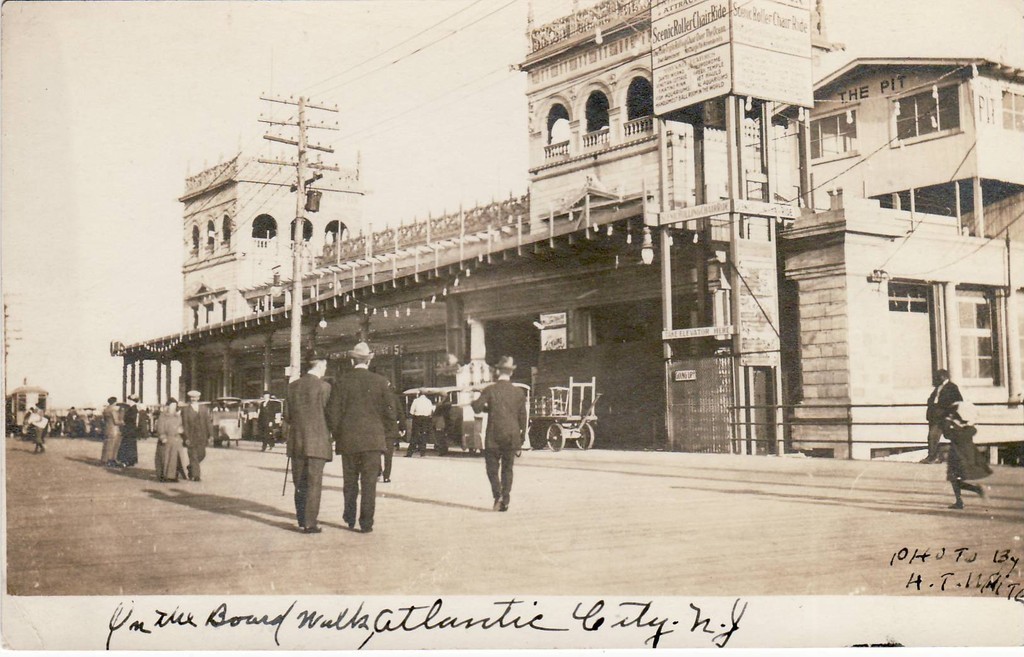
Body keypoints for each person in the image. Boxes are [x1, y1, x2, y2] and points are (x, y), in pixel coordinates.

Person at [327, 342, 396, 534]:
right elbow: (390, 412)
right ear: (369, 360)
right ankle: (366, 523)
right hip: (373, 441)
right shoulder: (381, 382)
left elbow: (333, 413)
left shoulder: (341, 381)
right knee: (369, 483)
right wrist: (386, 433)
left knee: (349, 481)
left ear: (352, 360)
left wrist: (338, 434)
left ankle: (349, 516)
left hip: (348, 441)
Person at [471, 356, 528, 512]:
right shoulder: (519, 392)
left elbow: (477, 407)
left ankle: (498, 496)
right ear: (511, 373)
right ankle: (506, 499)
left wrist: (475, 403)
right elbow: (523, 416)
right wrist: (522, 436)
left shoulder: (490, 389)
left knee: (492, 469)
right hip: (512, 435)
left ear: (497, 372)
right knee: (508, 469)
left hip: (494, 436)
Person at [285, 352, 333, 534]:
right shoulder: (325, 387)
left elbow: (288, 416)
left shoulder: (292, 387)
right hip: (318, 442)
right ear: (320, 365)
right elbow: (330, 416)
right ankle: (310, 523)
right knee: (314, 483)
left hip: (297, 441)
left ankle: (301, 519)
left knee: (299, 483)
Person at [942, 400, 991, 509]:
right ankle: (964, 497)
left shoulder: (954, 426)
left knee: (954, 478)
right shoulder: (969, 428)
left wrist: (948, 422)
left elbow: (948, 435)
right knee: (955, 478)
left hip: (957, 453)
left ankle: (963, 498)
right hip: (968, 453)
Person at [923, 369, 962, 464]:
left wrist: (949, 413)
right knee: (932, 436)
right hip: (935, 416)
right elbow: (932, 399)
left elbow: (958, 401)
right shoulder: (938, 387)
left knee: (945, 435)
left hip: (944, 416)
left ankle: (936, 457)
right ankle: (932, 457)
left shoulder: (952, 387)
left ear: (944, 376)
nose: (936, 378)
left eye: (938, 376)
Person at [181, 390, 211, 482]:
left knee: (202, 454)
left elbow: (208, 423)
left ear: (198, 398)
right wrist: (186, 437)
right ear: (190, 398)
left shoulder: (204, 409)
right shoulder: (185, 410)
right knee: (193, 455)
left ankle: (191, 467)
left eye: (195, 397)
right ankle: (196, 476)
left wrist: (210, 435)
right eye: (191, 397)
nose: (193, 399)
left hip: (202, 436)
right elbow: (184, 424)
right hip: (191, 436)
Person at [155, 398, 185, 482]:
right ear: (168, 406)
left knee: (175, 460)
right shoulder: (163, 416)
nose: (173, 408)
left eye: (175, 406)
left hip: (176, 440)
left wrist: (181, 430)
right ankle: (164, 475)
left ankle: (173, 476)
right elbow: (160, 428)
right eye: (172, 406)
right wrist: (162, 437)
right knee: (165, 458)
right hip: (166, 440)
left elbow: (180, 426)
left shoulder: (177, 416)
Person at [381, 381, 404, 483]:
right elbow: (400, 413)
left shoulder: (376, 397)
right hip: (390, 429)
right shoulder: (394, 398)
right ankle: (386, 476)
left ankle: (378, 471)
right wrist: (402, 428)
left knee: (376, 452)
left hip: (378, 429)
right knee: (388, 454)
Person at [406, 390, 434, 457]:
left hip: (417, 418)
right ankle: (422, 453)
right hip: (426, 419)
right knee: (424, 434)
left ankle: (410, 453)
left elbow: (411, 411)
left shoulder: (416, 401)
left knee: (414, 435)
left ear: (419, 394)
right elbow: (430, 412)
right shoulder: (429, 401)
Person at [116, 395, 140, 467]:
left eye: (129, 400)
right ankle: (130, 461)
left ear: (132, 401)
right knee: (131, 445)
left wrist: (124, 421)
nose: (128, 401)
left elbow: (132, 419)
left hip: (129, 429)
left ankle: (126, 461)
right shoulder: (133, 408)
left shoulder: (133, 409)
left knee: (127, 445)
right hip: (131, 430)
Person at [101, 396, 124, 467]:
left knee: (106, 445)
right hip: (114, 429)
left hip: (107, 428)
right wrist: (122, 421)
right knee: (113, 446)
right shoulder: (113, 410)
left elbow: (104, 420)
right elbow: (116, 421)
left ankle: (104, 460)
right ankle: (111, 460)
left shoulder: (105, 410)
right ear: (115, 402)